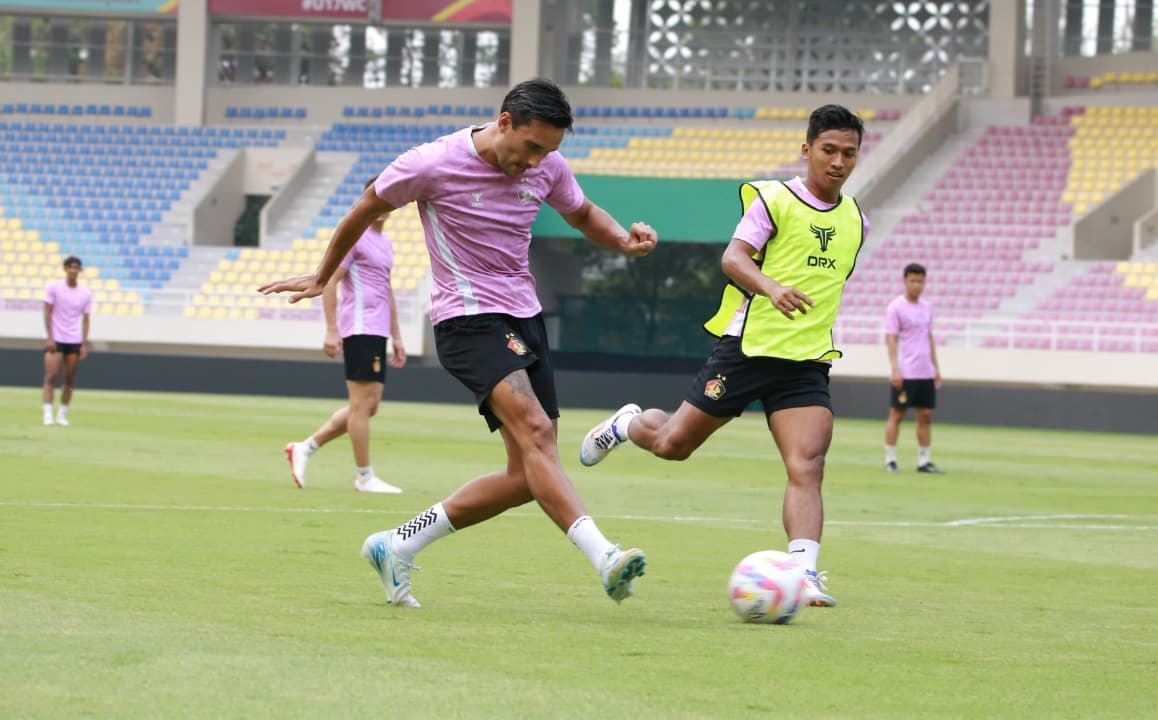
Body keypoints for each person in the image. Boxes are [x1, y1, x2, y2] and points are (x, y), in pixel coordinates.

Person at [260, 78, 657, 608]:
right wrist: (321, 274)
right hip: (467, 320)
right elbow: (364, 207)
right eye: (531, 147)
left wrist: (621, 242)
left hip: (525, 317)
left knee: (529, 475)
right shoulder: (432, 162)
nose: (537, 162)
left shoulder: (548, 167)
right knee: (538, 434)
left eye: (550, 152)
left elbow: (581, 212)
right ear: (505, 122)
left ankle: (396, 544)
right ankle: (605, 557)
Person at [579, 104, 869, 609]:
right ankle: (628, 424)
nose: (838, 162)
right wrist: (771, 288)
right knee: (672, 445)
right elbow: (732, 259)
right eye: (828, 150)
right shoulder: (774, 199)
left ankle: (804, 573)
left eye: (849, 153)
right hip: (747, 350)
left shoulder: (856, 219)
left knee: (808, 464)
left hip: (805, 361)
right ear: (807, 150)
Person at [285, 182, 407, 494]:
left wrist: (396, 335)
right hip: (359, 326)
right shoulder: (356, 237)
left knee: (367, 407)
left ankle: (305, 448)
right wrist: (331, 329)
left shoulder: (386, 242)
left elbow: (386, 290)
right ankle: (364, 476)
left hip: (377, 330)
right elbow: (329, 282)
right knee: (361, 405)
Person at [883, 262, 944, 474]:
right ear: (905, 281)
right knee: (897, 414)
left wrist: (936, 367)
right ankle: (890, 459)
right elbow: (891, 339)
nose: (917, 285)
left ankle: (923, 460)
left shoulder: (927, 307)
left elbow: (929, 337)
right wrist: (894, 369)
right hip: (906, 371)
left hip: (925, 371)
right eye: (913, 281)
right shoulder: (896, 307)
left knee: (926, 414)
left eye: (920, 281)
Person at [42, 256, 93, 426]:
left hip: (74, 339)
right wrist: (50, 337)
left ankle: (62, 414)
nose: (73, 270)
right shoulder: (54, 288)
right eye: (70, 267)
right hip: (56, 338)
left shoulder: (85, 293)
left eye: (76, 267)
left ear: (80, 270)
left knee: (69, 378)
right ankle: (48, 413)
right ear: (65, 269)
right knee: (51, 376)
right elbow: (47, 313)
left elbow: (86, 319)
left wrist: (84, 344)